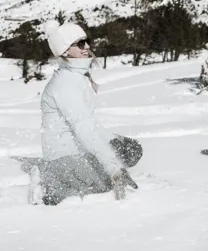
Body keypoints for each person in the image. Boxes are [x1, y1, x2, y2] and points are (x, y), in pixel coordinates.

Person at [28, 20, 143, 205]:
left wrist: (112, 139)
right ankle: (48, 187)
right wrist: (114, 169)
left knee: (131, 149)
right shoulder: (66, 84)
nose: (87, 47)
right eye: (80, 44)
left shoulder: (76, 77)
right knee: (106, 183)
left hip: (78, 150)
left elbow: (89, 123)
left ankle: (64, 179)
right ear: (65, 51)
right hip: (65, 157)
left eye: (86, 41)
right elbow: (85, 129)